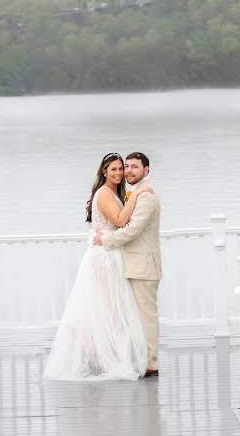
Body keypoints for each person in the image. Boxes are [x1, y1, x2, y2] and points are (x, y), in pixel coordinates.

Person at [42, 152, 154, 380]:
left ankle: (105, 353)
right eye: (113, 169)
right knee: (107, 307)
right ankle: (102, 355)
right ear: (104, 171)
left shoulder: (115, 192)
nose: (119, 173)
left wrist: (131, 195)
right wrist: (138, 193)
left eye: (121, 169)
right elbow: (121, 221)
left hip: (111, 252)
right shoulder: (104, 193)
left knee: (110, 308)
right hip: (105, 257)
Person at [94, 152, 161, 376]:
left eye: (134, 167)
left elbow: (131, 230)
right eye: (127, 166)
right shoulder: (131, 193)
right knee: (129, 316)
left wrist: (104, 240)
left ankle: (151, 365)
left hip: (143, 266)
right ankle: (136, 359)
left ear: (147, 170)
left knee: (146, 317)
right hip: (130, 264)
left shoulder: (146, 197)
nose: (127, 171)